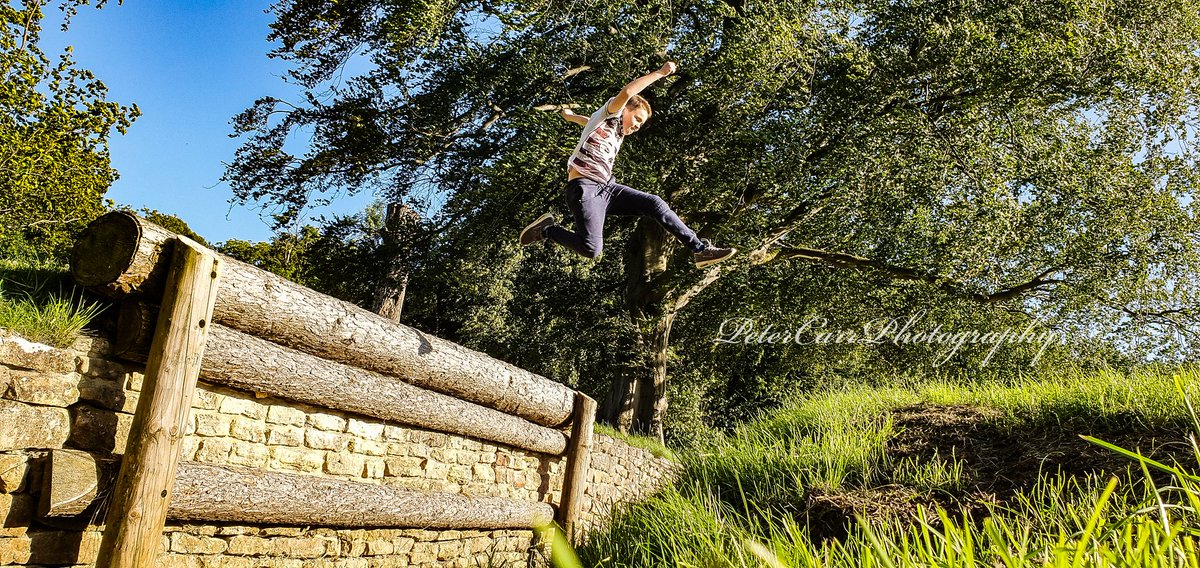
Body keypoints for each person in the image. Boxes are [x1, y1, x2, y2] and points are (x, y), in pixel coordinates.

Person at [519, 61, 737, 269]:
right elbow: (627, 93)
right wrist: (660, 74)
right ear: (625, 110)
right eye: (637, 119)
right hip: (585, 187)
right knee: (592, 249)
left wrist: (571, 117)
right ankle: (546, 230)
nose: (638, 126)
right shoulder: (610, 113)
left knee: (656, 204)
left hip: (608, 189)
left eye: (641, 124)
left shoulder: (614, 131)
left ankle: (699, 249)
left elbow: (589, 122)